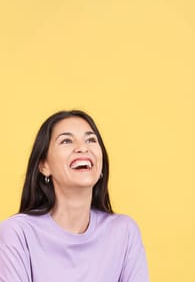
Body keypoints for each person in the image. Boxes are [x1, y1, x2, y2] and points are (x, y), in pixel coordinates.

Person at [0, 110, 149, 281]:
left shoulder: (124, 232)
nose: (83, 148)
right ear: (44, 165)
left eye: (91, 140)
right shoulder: (17, 233)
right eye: (66, 141)